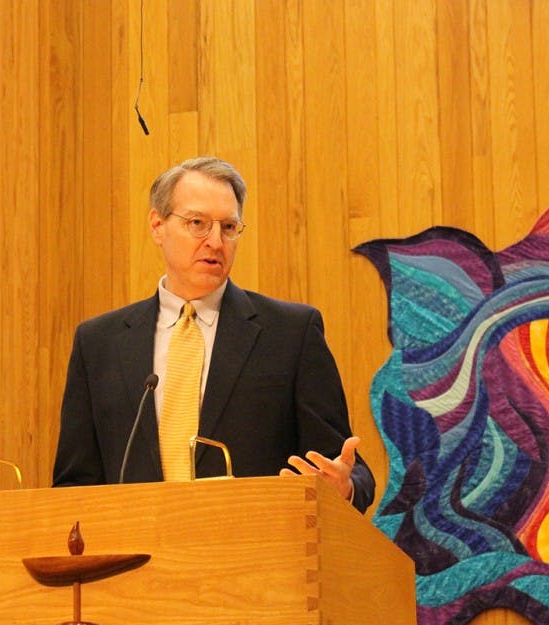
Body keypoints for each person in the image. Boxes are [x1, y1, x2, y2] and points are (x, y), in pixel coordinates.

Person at [52, 157, 375, 513]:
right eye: (197, 224)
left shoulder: (290, 334)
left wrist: (345, 487)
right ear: (157, 226)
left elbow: (344, 467)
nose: (216, 242)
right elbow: (73, 485)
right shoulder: (99, 344)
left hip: (255, 557)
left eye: (229, 227)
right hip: (137, 558)